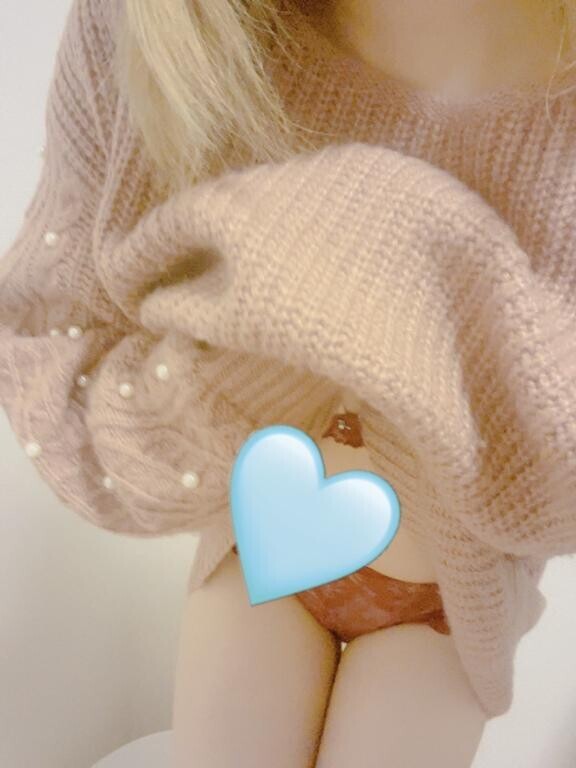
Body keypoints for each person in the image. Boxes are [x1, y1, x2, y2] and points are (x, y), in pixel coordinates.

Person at [1, 1, 576, 766]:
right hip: (261, 549)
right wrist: (274, 326)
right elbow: (54, 341)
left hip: (443, 607)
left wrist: (428, 273)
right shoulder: (158, 39)